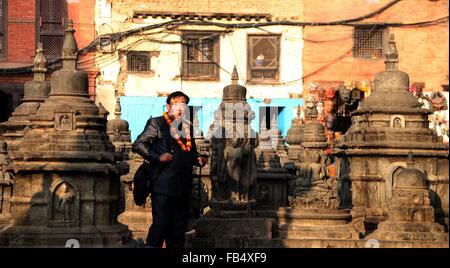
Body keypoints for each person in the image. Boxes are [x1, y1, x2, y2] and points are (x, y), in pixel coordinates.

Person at [132, 91, 207, 248]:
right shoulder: (157, 123)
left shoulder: (187, 128)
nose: (180, 108)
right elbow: (138, 144)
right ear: (168, 106)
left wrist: (198, 159)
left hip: (183, 186)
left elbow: (189, 152)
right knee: (161, 224)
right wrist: (157, 157)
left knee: (178, 228)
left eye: (183, 104)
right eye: (176, 103)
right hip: (163, 184)